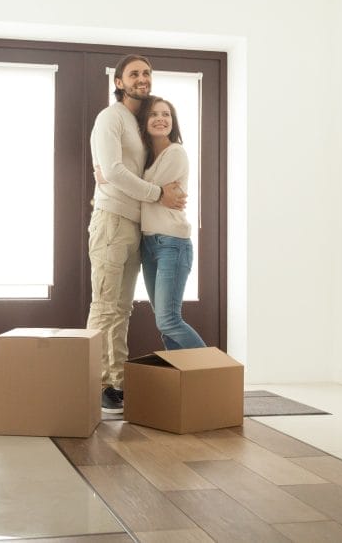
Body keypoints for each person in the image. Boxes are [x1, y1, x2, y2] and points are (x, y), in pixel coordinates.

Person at [87, 54, 186, 413]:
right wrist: (159, 193)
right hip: (112, 220)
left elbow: (122, 169)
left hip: (133, 224)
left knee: (122, 308)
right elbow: (112, 170)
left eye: (146, 73)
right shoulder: (110, 117)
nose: (142, 79)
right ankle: (98, 383)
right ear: (119, 82)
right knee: (105, 305)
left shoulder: (137, 122)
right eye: (134, 74)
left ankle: (117, 382)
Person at [138, 97, 206, 350]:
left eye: (166, 114)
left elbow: (140, 190)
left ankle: (215, 376)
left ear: (173, 122)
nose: (160, 119)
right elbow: (150, 190)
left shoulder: (175, 152)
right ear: (144, 122)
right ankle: (182, 384)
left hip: (172, 244)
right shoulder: (146, 159)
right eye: (153, 114)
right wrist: (153, 189)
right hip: (149, 244)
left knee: (168, 320)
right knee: (163, 323)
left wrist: (114, 177)